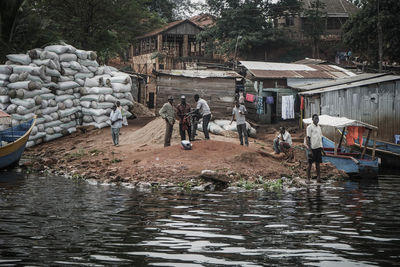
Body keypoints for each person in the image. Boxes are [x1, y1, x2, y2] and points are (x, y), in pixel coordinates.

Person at [306, 114, 325, 183]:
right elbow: (308, 138)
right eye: (316, 118)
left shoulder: (319, 127)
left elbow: (320, 139)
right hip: (312, 148)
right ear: (312, 119)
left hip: (318, 148)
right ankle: (308, 179)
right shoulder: (309, 127)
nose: (317, 120)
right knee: (310, 164)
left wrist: (322, 149)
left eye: (318, 118)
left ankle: (318, 178)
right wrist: (310, 150)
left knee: (318, 164)